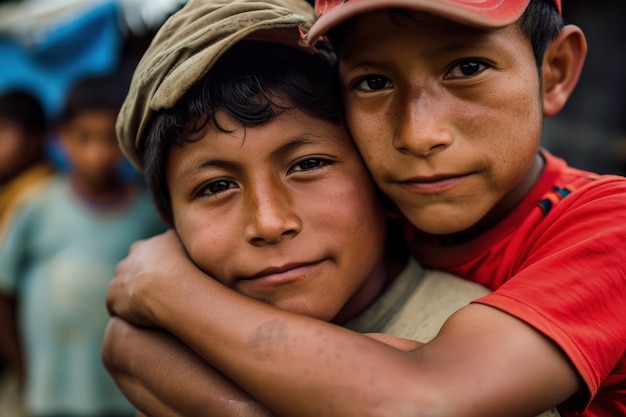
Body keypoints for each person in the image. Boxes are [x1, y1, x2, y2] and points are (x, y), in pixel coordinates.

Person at [105, 0, 626, 416]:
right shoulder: (400, 209)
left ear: (553, 71)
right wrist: (129, 336)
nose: (418, 137)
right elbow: (126, 346)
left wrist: (163, 289)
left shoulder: (611, 224)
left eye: (467, 67)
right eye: (373, 82)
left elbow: (423, 399)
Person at [0, 74, 165, 417]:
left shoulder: (148, 214)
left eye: (108, 139)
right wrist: (24, 370)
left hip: (122, 394)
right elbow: (4, 289)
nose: (96, 153)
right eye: (83, 137)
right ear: (61, 139)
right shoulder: (35, 205)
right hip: (49, 390)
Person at [0, 89, 52, 417]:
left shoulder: (38, 196)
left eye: (4, 132)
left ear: (35, 140)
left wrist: (23, 370)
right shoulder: (12, 191)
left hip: (32, 354)